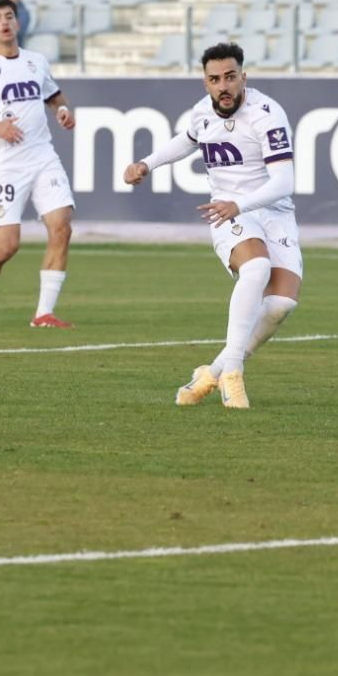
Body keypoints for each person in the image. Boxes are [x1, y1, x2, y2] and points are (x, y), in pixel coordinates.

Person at [123, 42, 300, 410]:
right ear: (205, 83)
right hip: (227, 213)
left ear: (243, 78)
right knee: (256, 268)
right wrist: (147, 163)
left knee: (280, 305)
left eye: (231, 77)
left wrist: (241, 202)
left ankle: (213, 372)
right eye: (215, 79)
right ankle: (233, 375)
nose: (224, 86)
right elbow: (186, 141)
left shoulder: (267, 114)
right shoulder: (202, 113)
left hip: (272, 210)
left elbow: (283, 182)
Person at [0, 0, 78, 329]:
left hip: (43, 157)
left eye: (9, 16)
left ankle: (43, 314)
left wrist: (63, 111)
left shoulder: (36, 61)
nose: (4, 22)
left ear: (18, 23)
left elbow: (53, 96)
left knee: (61, 227)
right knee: (6, 246)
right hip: (7, 167)